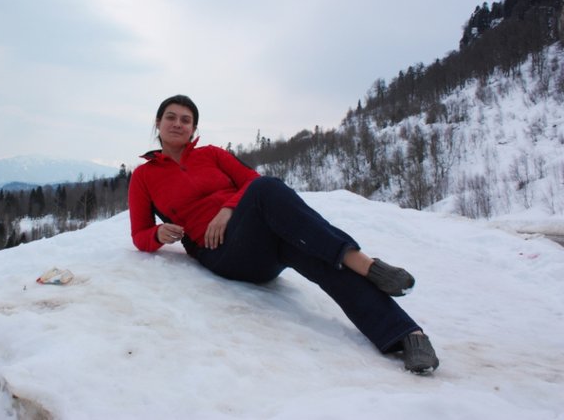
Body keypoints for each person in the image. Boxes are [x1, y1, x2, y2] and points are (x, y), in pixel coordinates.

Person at [128, 94, 440, 374]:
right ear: (158, 123)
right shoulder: (144, 176)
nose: (178, 124)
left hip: (258, 241)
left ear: (194, 128)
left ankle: (408, 335)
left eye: (186, 120)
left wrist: (228, 209)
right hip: (221, 253)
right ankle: (366, 264)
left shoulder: (212, 155)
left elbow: (250, 180)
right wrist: (158, 233)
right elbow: (140, 234)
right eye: (171, 117)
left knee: (316, 256)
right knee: (268, 189)